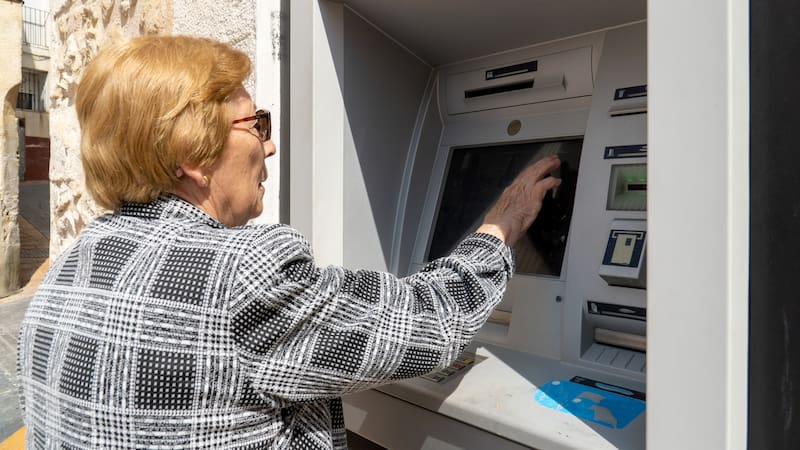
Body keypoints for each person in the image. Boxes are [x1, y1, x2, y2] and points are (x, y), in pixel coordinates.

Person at [16, 35, 561, 449]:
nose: (270, 146)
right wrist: (502, 224)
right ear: (192, 156)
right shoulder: (240, 272)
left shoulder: (68, 267)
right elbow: (427, 322)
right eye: (256, 124)